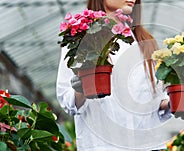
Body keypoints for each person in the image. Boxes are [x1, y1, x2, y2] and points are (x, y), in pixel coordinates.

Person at [56, 0, 171, 150]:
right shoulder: (79, 36)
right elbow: (67, 100)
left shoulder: (144, 41)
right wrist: (83, 87)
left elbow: (154, 103)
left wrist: (171, 103)